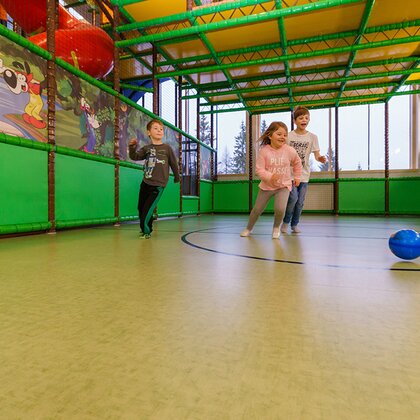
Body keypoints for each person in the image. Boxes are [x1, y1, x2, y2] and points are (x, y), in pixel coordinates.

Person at [240, 121, 302, 239]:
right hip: (267, 186)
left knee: (280, 209)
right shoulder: (264, 151)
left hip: (283, 186)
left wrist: (297, 176)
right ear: (270, 136)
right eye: (279, 134)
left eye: (285, 135)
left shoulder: (289, 151)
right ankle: (249, 228)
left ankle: (276, 227)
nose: (282, 137)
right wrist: (270, 176)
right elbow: (259, 170)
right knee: (257, 210)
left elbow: (297, 163)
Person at [129, 119, 180, 239]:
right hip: (145, 182)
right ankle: (147, 228)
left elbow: (173, 163)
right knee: (141, 208)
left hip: (158, 185)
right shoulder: (147, 148)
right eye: (156, 128)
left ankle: (147, 232)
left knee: (147, 210)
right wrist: (132, 147)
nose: (159, 131)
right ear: (148, 132)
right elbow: (135, 156)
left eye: (161, 129)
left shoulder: (167, 148)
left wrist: (177, 177)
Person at [281, 106, 326, 234]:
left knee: (300, 202)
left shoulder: (313, 137)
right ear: (295, 121)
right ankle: (285, 223)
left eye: (306, 118)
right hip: (290, 174)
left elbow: (317, 155)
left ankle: (294, 224)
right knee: (293, 198)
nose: (304, 120)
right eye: (301, 118)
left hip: (304, 174)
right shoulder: (289, 136)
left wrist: (320, 158)